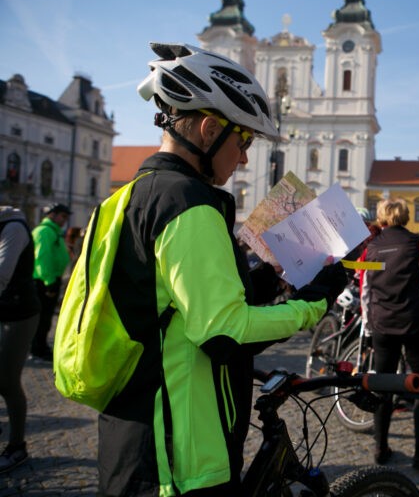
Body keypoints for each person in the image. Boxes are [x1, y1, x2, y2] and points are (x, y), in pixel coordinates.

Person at [93, 42, 346, 496]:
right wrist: (315, 301)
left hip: (137, 430)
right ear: (209, 130)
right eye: (243, 140)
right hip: (181, 457)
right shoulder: (188, 205)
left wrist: (266, 279)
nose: (246, 157)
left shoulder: (130, 196)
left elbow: (177, 302)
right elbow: (224, 331)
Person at [360, 198, 419, 471]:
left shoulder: (370, 249)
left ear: (382, 217)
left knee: (383, 387)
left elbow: (366, 290)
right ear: (406, 217)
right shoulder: (418, 245)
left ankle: (380, 447)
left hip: (382, 325)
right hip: (415, 325)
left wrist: (367, 325)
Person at [0, 207, 41, 473]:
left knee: (6, 379)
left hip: (17, 313)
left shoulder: (13, 227)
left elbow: (2, 274)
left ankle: (17, 446)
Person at [30, 203, 72, 361]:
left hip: (50, 279)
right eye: (62, 216)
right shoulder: (45, 232)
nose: (64, 220)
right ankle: (38, 349)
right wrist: (49, 282)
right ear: (52, 215)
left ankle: (40, 346)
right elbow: (42, 257)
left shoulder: (54, 232)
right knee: (42, 318)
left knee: (46, 318)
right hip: (44, 281)